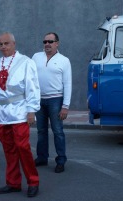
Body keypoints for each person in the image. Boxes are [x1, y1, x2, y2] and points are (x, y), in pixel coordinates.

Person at [0, 32, 40, 197]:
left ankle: (33, 181)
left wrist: (31, 111)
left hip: (20, 111)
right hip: (3, 114)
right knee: (9, 149)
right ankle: (13, 182)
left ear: (14, 43)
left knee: (23, 147)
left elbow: (32, 87)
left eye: (6, 43)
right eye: (0, 44)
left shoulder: (26, 62)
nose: (3, 47)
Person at [32, 32, 72, 173]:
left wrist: (65, 106)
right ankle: (42, 157)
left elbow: (67, 84)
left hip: (56, 99)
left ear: (57, 43)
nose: (47, 44)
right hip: (39, 99)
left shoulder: (64, 60)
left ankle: (61, 160)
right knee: (41, 131)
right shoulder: (36, 57)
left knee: (58, 131)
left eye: (50, 41)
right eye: (45, 41)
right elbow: (30, 79)